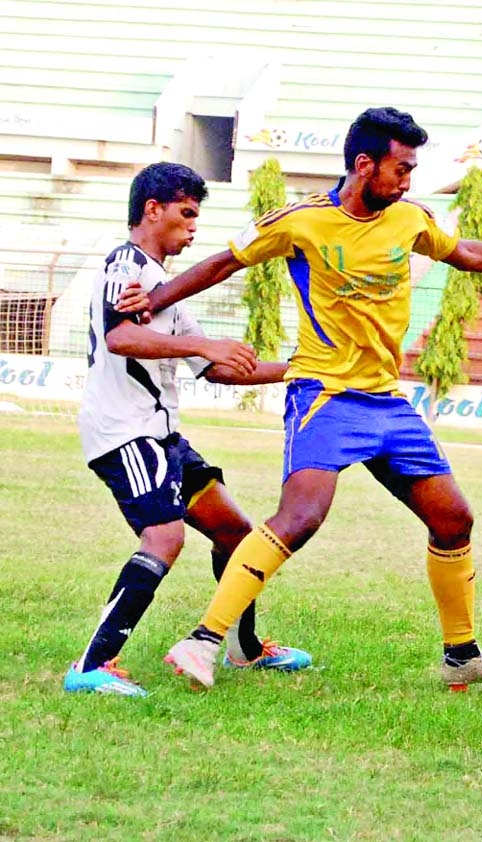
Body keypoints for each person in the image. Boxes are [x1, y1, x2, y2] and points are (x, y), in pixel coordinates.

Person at [120, 107, 482, 691]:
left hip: (386, 401)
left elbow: (465, 254)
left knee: (454, 518)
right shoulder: (300, 221)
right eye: (401, 169)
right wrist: (153, 302)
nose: (408, 181)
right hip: (324, 394)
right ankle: (204, 641)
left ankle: (462, 656)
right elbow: (221, 263)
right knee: (301, 517)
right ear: (364, 166)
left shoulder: (409, 218)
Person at [65, 162, 311, 697]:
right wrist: (204, 345)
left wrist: (303, 368)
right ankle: (91, 665)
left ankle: (246, 650)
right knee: (165, 536)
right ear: (152, 209)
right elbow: (121, 337)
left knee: (236, 533)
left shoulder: (164, 288)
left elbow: (218, 368)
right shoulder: (124, 264)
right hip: (124, 431)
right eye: (186, 213)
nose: (193, 226)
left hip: (164, 435)